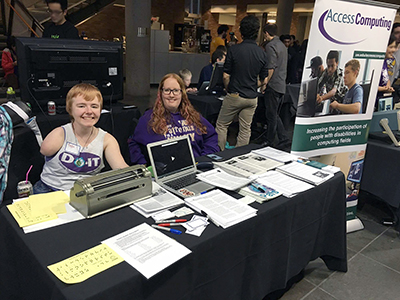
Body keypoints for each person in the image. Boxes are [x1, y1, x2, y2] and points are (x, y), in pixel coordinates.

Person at [33, 83, 128, 193]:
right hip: (49, 190)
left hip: (86, 192)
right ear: (70, 109)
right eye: (81, 106)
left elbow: (121, 169)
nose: (88, 111)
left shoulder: (107, 139)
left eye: (94, 106)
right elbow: (44, 151)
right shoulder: (59, 134)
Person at [128, 73, 219, 165]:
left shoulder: (193, 116)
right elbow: (133, 143)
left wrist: (204, 158)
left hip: (197, 168)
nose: (171, 95)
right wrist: (143, 166)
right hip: (167, 172)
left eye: (176, 90)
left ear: (182, 93)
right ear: (161, 93)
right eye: (167, 90)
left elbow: (211, 136)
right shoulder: (149, 119)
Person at [215, 15, 268, 151]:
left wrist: (229, 88)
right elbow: (264, 80)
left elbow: (226, 76)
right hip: (251, 98)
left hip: (234, 95)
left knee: (222, 125)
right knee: (245, 129)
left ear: (241, 31)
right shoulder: (262, 53)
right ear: (257, 31)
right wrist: (252, 86)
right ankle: (238, 157)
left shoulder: (233, 50)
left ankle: (220, 155)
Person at [261, 23, 290, 149]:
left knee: (271, 115)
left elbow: (271, 67)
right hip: (281, 83)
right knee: (275, 113)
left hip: (273, 84)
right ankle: (283, 137)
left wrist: (264, 83)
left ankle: (269, 141)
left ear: (266, 33)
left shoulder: (270, 46)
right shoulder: (283, 46)